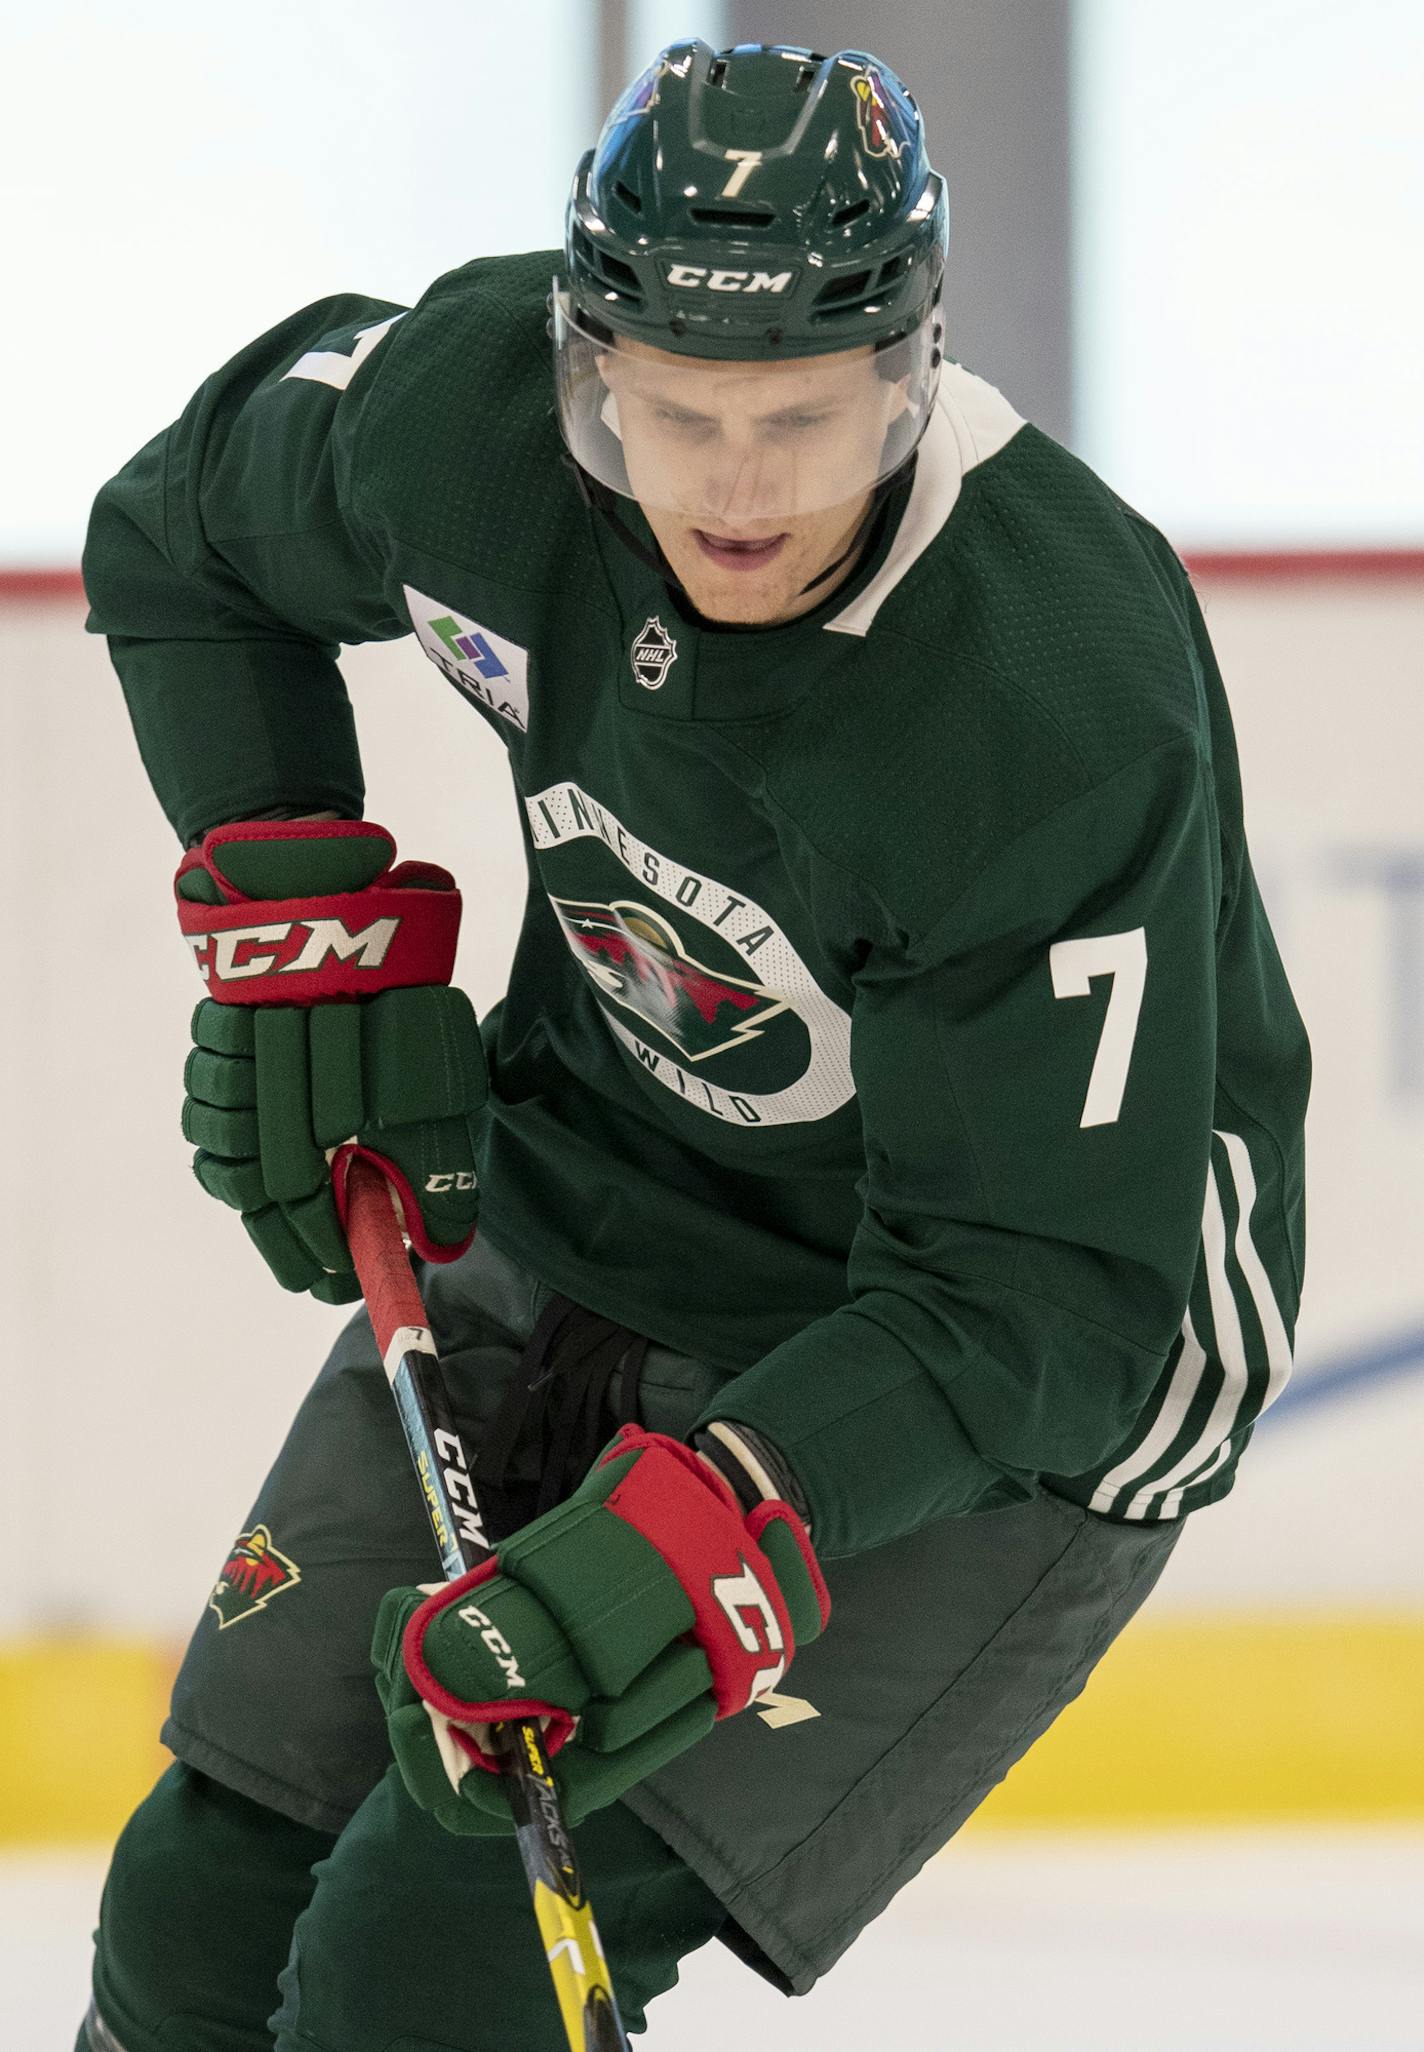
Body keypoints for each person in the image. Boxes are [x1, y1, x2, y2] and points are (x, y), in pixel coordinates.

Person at [78, 39, 1310, 2052]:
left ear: (912, 374)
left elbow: (1051, 1299)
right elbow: (182, 535)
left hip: (1002, 1374)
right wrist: (303, 936)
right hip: (588, 1200)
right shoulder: (464, 422)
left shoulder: (1053, 685)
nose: (737, 492)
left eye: (806, 421)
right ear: (581, 364)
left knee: (438, 1956)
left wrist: (718, 1508)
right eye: (672, 414)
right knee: (197, 1904)